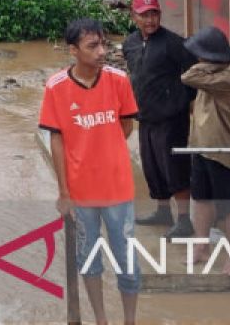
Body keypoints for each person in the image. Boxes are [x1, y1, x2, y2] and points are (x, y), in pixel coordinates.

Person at [40, 18, 141, 325]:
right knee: (89, 259)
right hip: (80, 193)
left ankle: (130, 320)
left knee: (128, 259)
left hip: (118, 189)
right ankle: (100, 319)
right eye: (92, 46)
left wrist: (102, 148)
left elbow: (126, 125)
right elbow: (56, 140)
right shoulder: (56, 87)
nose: (101, 52)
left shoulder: (118, 80)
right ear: (74, 50)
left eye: (103, 44)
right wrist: (64, 193)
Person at [122, 0, 195, 238]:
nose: (150, 20)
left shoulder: (174, 43)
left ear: (160, 15)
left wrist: (180, 100)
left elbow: (194, 72)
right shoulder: (130, 44)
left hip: (171, 118)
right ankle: (163, 211)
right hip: (145, 115)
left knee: (174, 166)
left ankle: (184, 220)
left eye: (154, 14)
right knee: (152, 164)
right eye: (144, 15)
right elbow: (134, 74)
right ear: (134, 17)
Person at [180, 26, 230, 269]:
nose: (197, 59)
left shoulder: (228, 76)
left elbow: (188, 77)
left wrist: (206, 62)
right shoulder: (214, 71)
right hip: (200, 146)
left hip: (220, 150)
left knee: (228, 206)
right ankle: (201, 246)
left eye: (201, 54)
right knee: (202, 199)